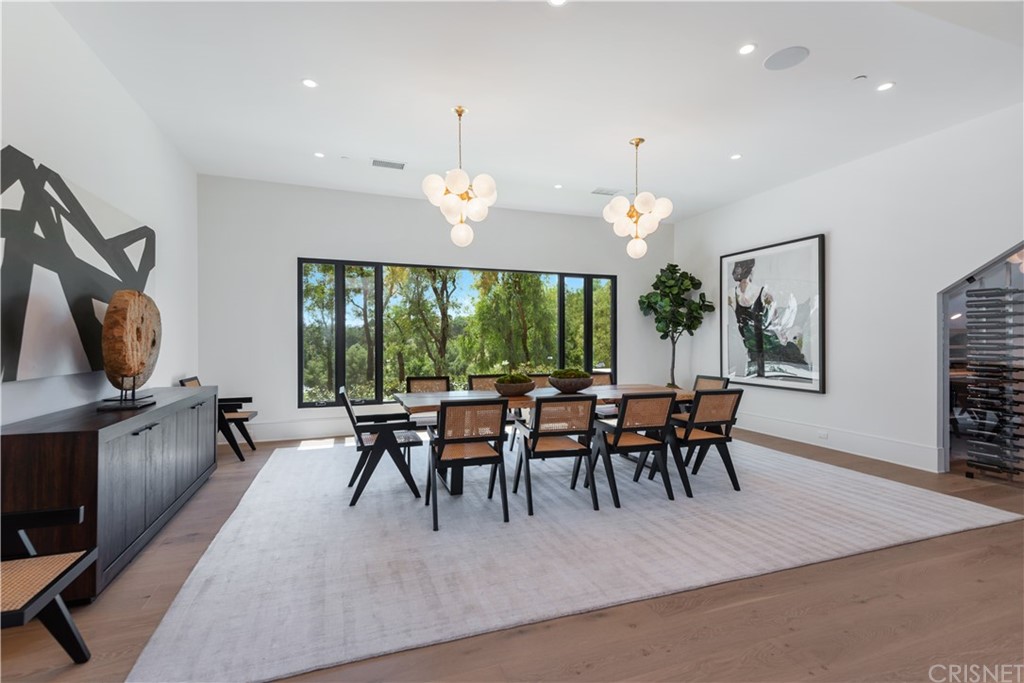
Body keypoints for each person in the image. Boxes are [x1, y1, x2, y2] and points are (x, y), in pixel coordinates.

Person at [728, 259, 809, 378]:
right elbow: (776, 322)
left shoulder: (734, 294)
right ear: (751, 271)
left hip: (761, 347)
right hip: (759, 347)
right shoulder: (760, 294)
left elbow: (775, 322)